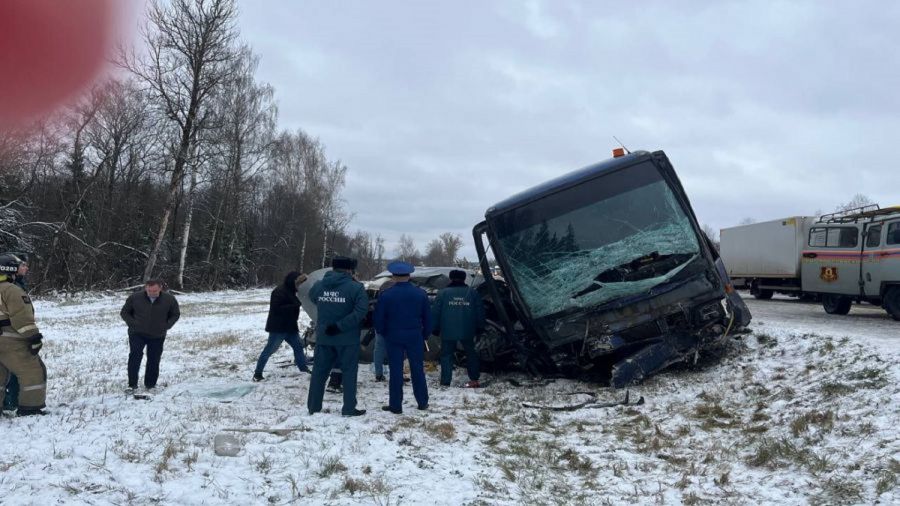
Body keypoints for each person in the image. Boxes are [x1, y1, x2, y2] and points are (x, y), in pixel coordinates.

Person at [306, 256, 368, 417]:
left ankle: (313, 407)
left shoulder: (320, 285)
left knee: (319, 372)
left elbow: (312, 297)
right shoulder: (356, 288)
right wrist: (340, 326)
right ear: (350, 270)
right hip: (347, 338)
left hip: (324, 336)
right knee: (348, 373)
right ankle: (348, 408)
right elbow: (361, 312)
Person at [374, 261, 431, 414]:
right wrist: (424, 335)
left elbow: (379, 319)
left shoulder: (386, 295)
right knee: (417, 369)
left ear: (393, 276)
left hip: (393, 336)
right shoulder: (421, 294)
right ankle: (422, 402)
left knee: (395, 370)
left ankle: (396, 405)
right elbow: (427, 318)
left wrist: (383, 332)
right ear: (409, 275)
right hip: (415, 335)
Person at [0, 252, 47, 416]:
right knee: (32, 371)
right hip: (10, 340)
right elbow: (22, 317)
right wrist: (34, 338)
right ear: (11, 271)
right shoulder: (12, 290)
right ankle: (30, 407)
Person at [120, 279, 180, 394]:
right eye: (149, 290)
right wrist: (133, 324)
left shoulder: (169, 299)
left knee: (154, 359)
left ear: (160, 288)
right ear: (146, 288)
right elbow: (124, 312)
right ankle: (132, 385)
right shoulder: (135, 297)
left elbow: (175, 314)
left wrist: (167, 326)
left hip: (158, 334)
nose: (152, 293)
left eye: (155, 291)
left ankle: (150, 385)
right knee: (135, 357)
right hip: (137, 333)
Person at [432, 270, 485, 388]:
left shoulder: (442, 293)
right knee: (471, 354)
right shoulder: (473, 293)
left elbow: (435, 313)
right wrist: (480, 327)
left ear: (450, 279)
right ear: (464, 279)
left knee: (446, 355)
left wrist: (435, 328)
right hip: (468, 330)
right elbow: (480, 311)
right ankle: (474, 379)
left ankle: (445, 382)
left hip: (447, 330)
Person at [253, 271, 310, 381]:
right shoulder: (279, 291)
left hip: (290, 327)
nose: (301, 286)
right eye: (300, 283)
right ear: (293, 282)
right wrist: (294, 305)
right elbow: (277, 308)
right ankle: (257, 374)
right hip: (278, 328)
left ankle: (303, 369)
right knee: (269, 350)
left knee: (298, 347)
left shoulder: (292, 291)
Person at [2, 254, 29, 413]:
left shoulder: (18, 284)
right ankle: (10, 400)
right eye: (23, 264)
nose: (26, 268)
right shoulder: (10, 286)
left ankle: (13, 399)